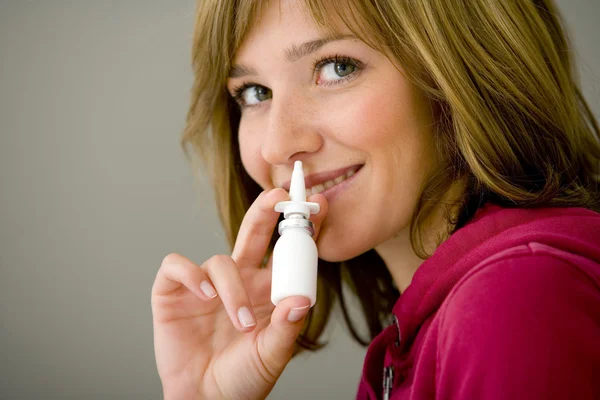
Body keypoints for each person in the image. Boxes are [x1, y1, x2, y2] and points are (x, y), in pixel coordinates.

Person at [151, 0, 600, 398]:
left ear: (460, 69)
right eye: (255, 93)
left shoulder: (513, 303)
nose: (276, 145)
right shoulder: (435, 325)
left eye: (336, 67)